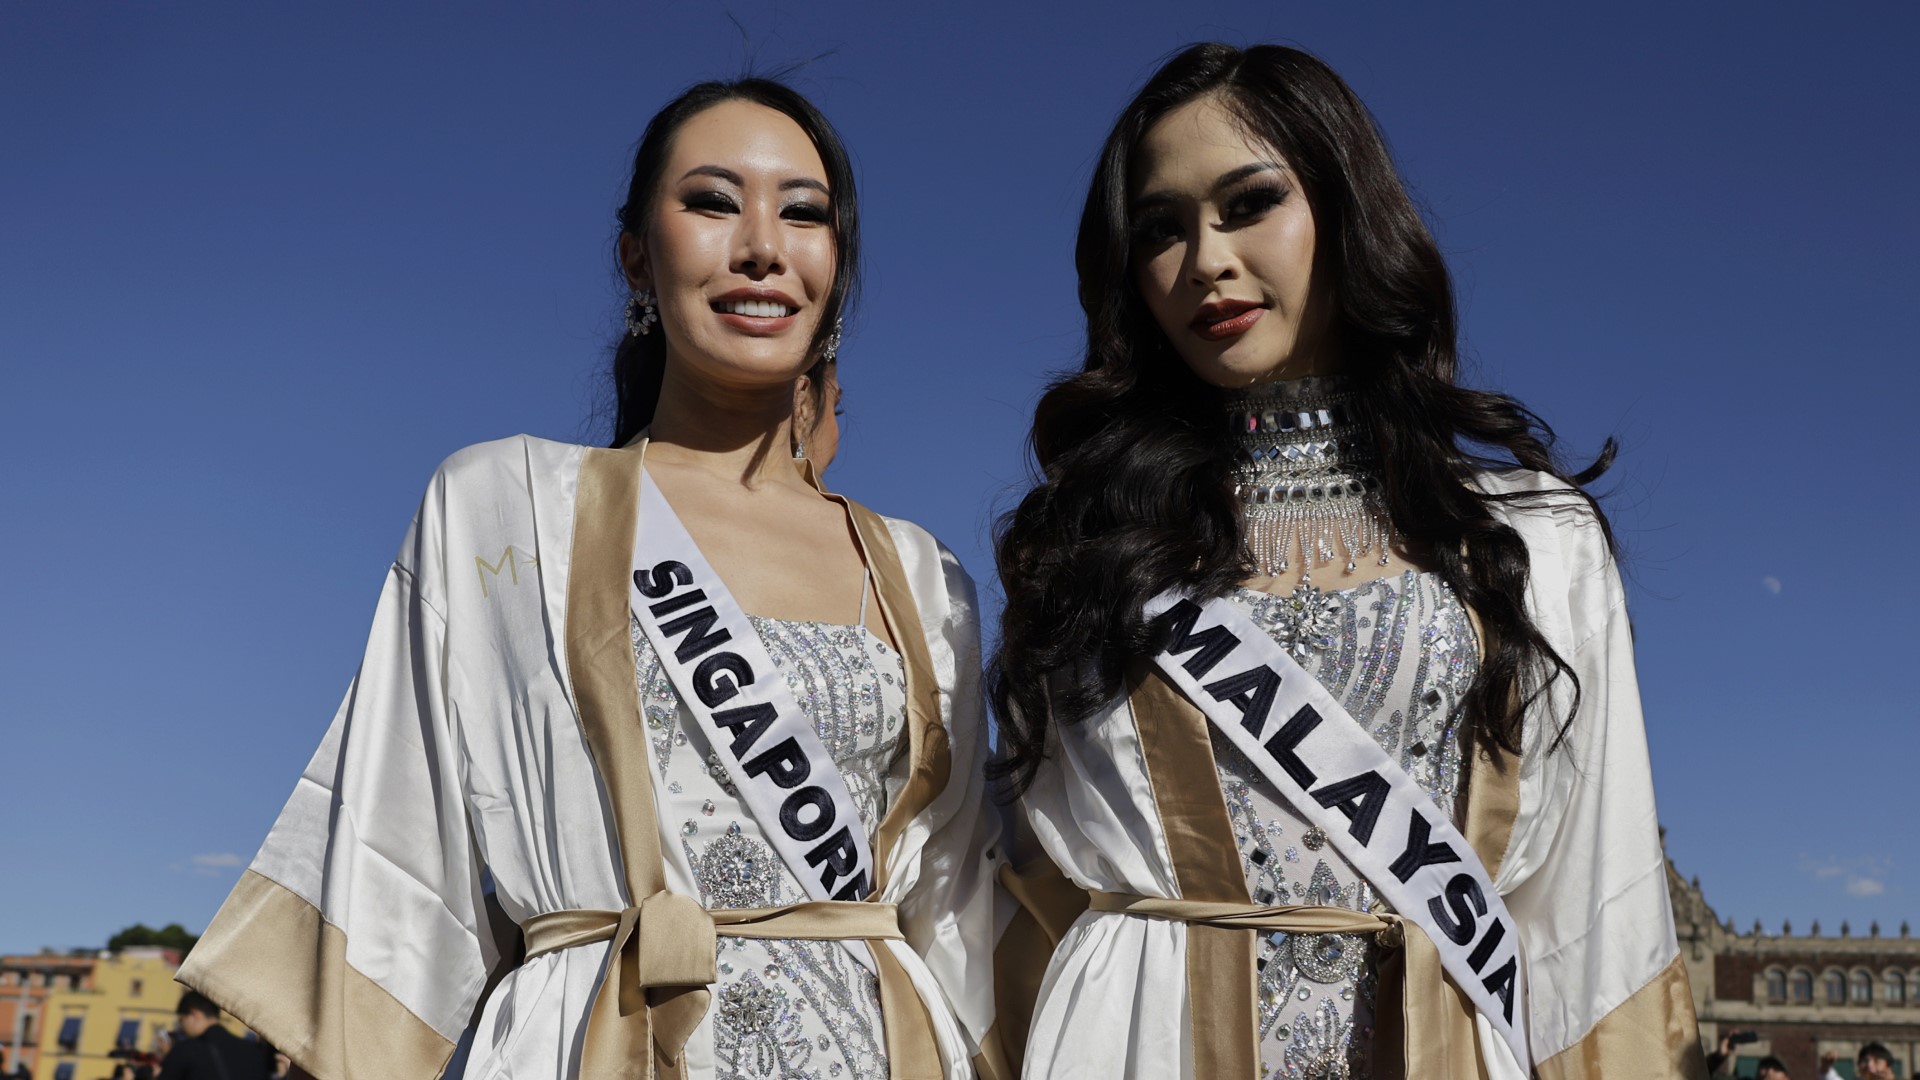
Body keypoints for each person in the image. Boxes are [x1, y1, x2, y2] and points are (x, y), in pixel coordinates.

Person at [179, 77, 1001, 1080]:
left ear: (837, 266)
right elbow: (396, 841)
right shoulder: (506, 504)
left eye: (804, 212)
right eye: (711, 201)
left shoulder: (920, 572)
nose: (761, 246)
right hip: (590, 1039)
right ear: (635, 259)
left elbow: (958, 899)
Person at [991, 43, 1704, 1079]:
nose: (1206, 260)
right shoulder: (1090, 547)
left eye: (1249, 203)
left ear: (1342, 208)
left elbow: (1595, 907)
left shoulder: (1531, 537)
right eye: (1161, 229)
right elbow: (1022, 888)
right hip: (1142, 1043)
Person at [156, 992, 268, 1080]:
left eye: (182, 1020)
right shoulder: (253, 1052)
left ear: (194, 1015)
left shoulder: (185, 1051)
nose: (181, 1027)